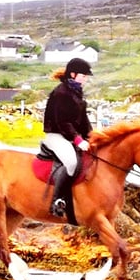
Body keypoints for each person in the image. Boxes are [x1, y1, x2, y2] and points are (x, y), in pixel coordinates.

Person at [42, 57, 93, 217]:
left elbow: (84, 121)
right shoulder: (61, 92)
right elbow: (63, 122)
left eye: (86, 77)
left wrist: (93, 137)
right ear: (73, 74)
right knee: (71, 162)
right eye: (83, 76)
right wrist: (78, 140)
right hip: (56, 135)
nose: (85, 79)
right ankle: (57, 201)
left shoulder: (77, 93)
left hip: (69, 137)